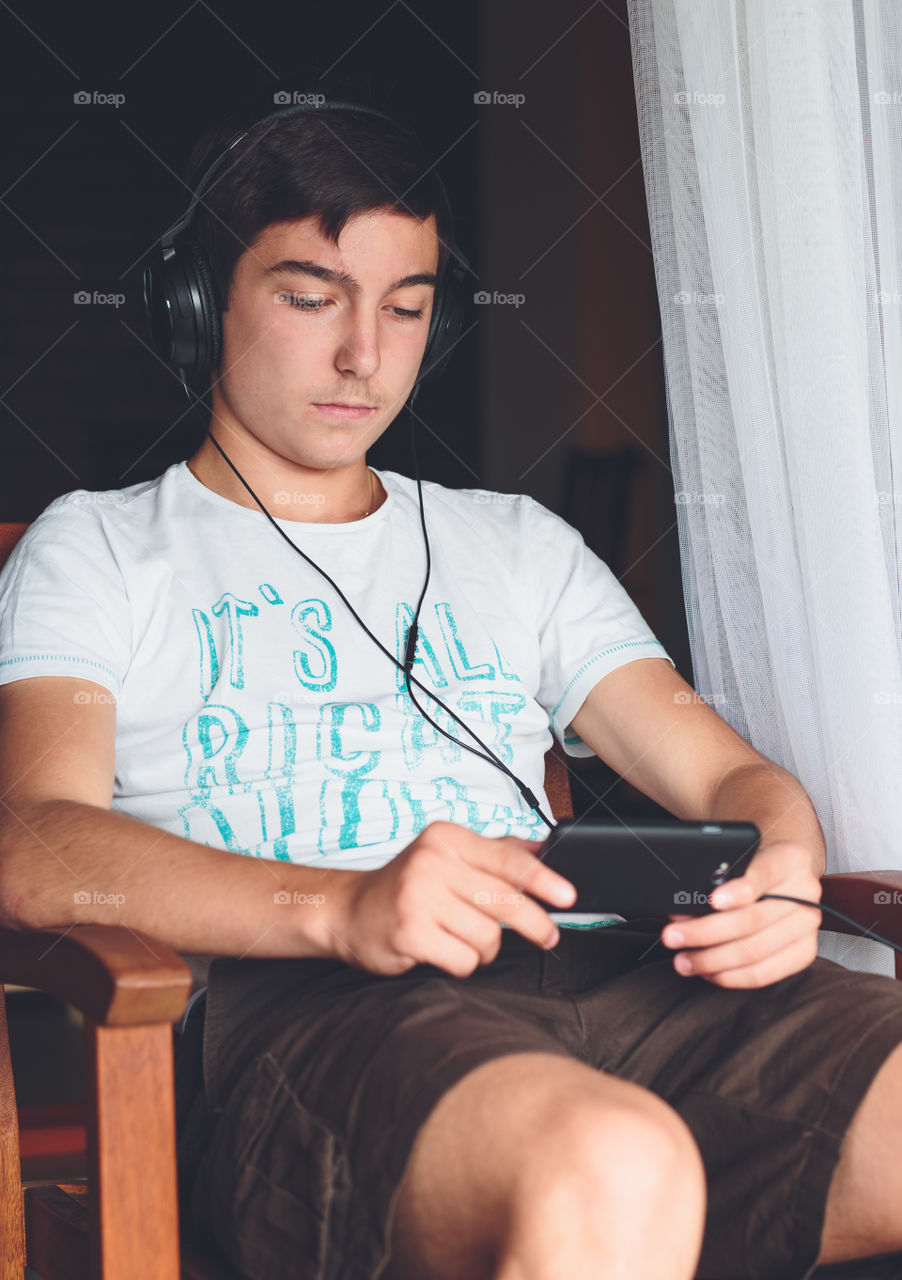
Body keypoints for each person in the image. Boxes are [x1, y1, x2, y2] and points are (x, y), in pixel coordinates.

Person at [1, 97, 902, 1280]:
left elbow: (726, 773)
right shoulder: (96, 548)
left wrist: (781, 850)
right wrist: (338, 906)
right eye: (311, 297)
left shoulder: (516, 542)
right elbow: (33, 842)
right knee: (614, 1164)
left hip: (611, 984)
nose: (363, 356)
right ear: (196, 306)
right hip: (315, 1020)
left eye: (407, 307)